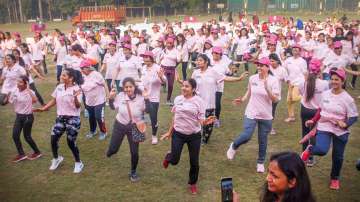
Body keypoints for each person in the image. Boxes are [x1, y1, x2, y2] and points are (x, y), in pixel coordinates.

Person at [301, 68, 358, 190]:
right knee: (321, 150)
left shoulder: (347, 99)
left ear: (343, 81)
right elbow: (320, 110)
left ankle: (335, 178)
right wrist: (313, 120)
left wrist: (346, 124)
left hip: (340, 129)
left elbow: (354, 116)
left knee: (338, 156)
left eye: (337, 80)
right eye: (332, 79)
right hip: (325, 126)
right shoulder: (325, 94)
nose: (334, 82)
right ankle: (310, 149)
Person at [161, 79, 216, 194]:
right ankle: (169, 157)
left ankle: (192, 183)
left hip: (194, 135)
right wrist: (170, 132)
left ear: (193, 89)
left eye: (187, 86)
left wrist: (206, 121)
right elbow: (175, 117)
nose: (183, 88)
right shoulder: (178, 99)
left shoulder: (199, 102)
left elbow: (201, 120)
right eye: (183, 86)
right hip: (178, 134)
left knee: (194, 162)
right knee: (175, 160)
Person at [227, 57, 280, 173]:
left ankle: (260, 162)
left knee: (263, 140)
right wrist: (243, 99)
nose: (259, 67)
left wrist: (267, 89)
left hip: (266, 115)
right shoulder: (252, 78)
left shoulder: (273, 81)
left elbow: (275, 100)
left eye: (262, 65)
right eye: (258, 65)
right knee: (247, 135)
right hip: (251, 111)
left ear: (267, 67)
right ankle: (234, 146)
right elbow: (249, 92)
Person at [184, 54, 247, 144]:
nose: (198, 62)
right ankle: (195, 137)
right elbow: (190, 85)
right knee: (197, 121)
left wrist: (239, 79)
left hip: (210, 102)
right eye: (197, 60)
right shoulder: (195, 73)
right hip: (198, 102)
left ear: (206, 62)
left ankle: (205, 139)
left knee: (209, 123)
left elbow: (225, 78)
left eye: (200, 60)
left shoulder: (213, 72)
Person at [34, 68, 84, 173]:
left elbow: (78, 106)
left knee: (70, 142)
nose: (61, 76)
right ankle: (56, 159)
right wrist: (44, 108)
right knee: (53, 139)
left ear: (71, 78)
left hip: (73, 119)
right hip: (60, 118)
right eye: (62, 75)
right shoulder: (59, 87)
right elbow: (54, 100)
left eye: (64, 75)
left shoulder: (77, 89)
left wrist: (75, 97)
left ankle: (78, 162)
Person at [107, 77, 149, 182]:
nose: (128, 89)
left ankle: (133, 172)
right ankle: (111, 151)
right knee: (113, 149)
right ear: (123, 88)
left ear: (134, 87)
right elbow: (113, 107)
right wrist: (111, 98)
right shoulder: (121, 96)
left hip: (134, 127)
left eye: (130, 87)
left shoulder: (140, 97)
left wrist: (147, 99)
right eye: (126, 87)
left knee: (134, 152)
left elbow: (148, 111)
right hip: (120, 125)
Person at [298, 58, 329, 166]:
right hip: (317, 112)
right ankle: (310, 158)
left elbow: (302, 93)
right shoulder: (324, 83)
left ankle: (304, 157)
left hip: (305, 110)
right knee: (314, 134)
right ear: (319, 70)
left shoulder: (303, 83)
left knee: (305, 133)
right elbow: (326, 96)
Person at [5, 76, 42, 162]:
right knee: (15, 135)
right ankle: (21, 154)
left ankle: (37, 152)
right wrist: (8, 95)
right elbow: (10, 101)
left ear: (26, 84)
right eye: (17, 82)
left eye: (21, 82)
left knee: (27, 136)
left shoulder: (30, 92)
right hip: (19, 116)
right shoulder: (15, 90)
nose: (18, 84)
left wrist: (28, 89)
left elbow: (35, 100)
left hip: (27, 117)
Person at [140, 51, 166, 145]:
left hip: (153, 98)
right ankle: (141, 133)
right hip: (143, 97)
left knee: (153, 118)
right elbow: (142, 81)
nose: (145, 59)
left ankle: (154, 136)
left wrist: (161, 77)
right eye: (144, 57)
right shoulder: (143, 68)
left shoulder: (157, 68)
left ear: (151, 58)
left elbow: (164, 82)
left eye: (146, 57)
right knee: (141, 115)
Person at [80, 59, 108, 140]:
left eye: (83, 68)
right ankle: (93, 131)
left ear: (88, 67)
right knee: (91, 117)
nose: (81, 70)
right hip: (89, 101)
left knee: (99, 117)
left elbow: (104, 85)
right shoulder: (82, 76)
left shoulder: (96, 75)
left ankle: (103, 132)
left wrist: (108, 96)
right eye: (81, 68)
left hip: (99, 100)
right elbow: (81, 87)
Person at [283, 44, 307, 122]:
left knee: (294, 97)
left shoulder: (302, 61)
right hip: (291, 82)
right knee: (289, 101)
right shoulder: (288, 60)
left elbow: (305, 73)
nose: (295, 51)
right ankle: (291, 116)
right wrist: (287, 79)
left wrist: (306, 82)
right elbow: (284, 69)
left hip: (299, 82)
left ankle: (306, 96)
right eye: (293, 50)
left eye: (296, 50)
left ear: (300, 52)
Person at [268, 53, 287, 135]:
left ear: (277, 61)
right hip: (265, 93)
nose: (271, 63)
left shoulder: (282, 70)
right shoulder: (267, 67)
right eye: (270, 61)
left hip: (275, 95)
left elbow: (286, 80)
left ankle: (270, 127)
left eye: (273, 61)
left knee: (271, 111)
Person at [160, 38, 180, 105]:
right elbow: (160, 58)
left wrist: (170, 57)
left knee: (171, 85)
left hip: (171, 69)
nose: (168, 45)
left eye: (170, 43)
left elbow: (178, 60)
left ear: (172, 44)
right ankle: (163, 85)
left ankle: (168, 99)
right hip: (164, 67)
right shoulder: (164, 50)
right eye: (167, 43)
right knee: (163, 80)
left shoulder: (176, 51)